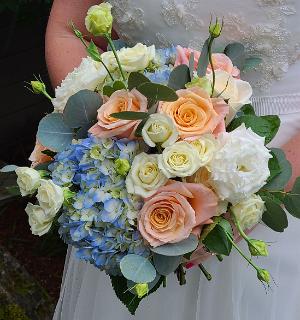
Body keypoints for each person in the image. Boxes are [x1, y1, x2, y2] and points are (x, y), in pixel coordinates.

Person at [47, 1, 300, 319]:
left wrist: (253, 195)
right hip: (131, 171)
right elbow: (70, 32)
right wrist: (113, 141)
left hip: (277, 166)